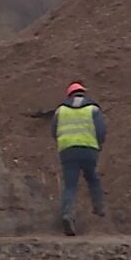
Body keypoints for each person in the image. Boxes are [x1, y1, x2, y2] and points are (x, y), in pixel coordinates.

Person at [52, 81, 107, 236]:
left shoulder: (60, 111)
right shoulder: (93, 109)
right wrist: (99, 145)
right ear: (83, 93)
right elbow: (101, 130)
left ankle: (67, 214)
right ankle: (99, 207)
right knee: (92, 178)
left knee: (70, 185)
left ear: (69, 95)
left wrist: (63, 143)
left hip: (68, 151)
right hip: (89, 150)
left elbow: (54, 131)